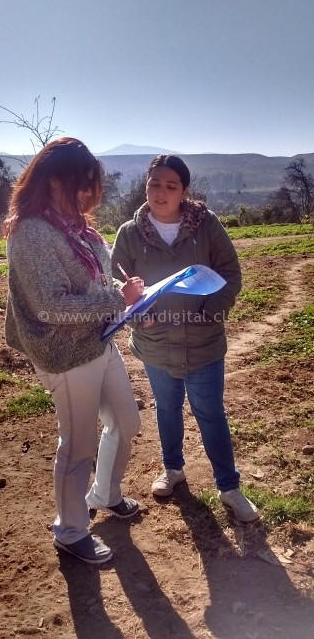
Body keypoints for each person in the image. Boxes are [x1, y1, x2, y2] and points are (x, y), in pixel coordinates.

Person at [4, 137, 145, 565]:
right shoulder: (31, 233)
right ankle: (69, 530)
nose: (85, 194)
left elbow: (97, 284)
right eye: (77, 184)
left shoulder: (78, 228)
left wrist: (127, 296)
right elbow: (50, 306)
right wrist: (117, 302)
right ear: (48, 181)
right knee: (78, 443)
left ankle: (104, 492)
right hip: (63, 354)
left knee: (126, 421)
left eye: (90, 185)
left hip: (97, 341)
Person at [111, 154, 259, 523]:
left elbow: (230, 273)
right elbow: (114, 284)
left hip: (204, 342)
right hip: (156, 343)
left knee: (211, 413)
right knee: (167, 408)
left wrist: (209, 315)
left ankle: (229, 487)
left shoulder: (206, 225)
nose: (160, 193)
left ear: (184, 191)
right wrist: (135, 312)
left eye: (170, 186)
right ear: (146, 186)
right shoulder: (130, 234)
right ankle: (174, 470)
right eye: (154, 184)